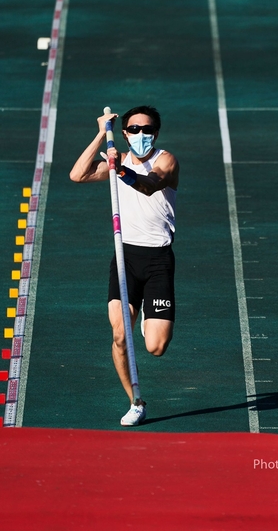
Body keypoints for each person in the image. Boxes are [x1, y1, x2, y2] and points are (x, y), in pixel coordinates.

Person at [70, 106, 179, 426]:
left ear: (155, 133)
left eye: (147, 130)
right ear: (125, 132)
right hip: (125, 257)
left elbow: (148, 185)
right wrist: (100, 133)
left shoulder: (166, 161)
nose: (140, 135)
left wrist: (119, 170)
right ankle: (136, 400)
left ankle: (148, 314)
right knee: (120, 334)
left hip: (158, 260)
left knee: (156, 347)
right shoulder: (116, 159)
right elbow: (77, 174)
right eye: (134, 129)